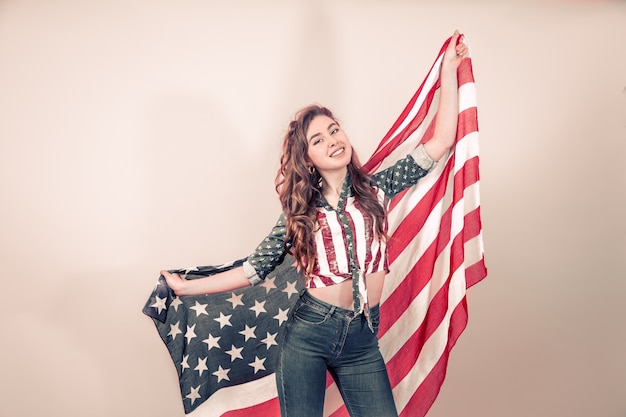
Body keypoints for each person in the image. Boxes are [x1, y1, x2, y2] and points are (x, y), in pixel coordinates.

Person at [161, 30, 468, 417]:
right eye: (318, 140)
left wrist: (449, 73)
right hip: (309, 334)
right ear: (308, 159)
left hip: (362, 338)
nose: (332, 141)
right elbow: (254, 270)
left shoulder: (379, 188)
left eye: (334, 130)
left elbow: (440, 142)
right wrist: (187, 289)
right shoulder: (300, 212)